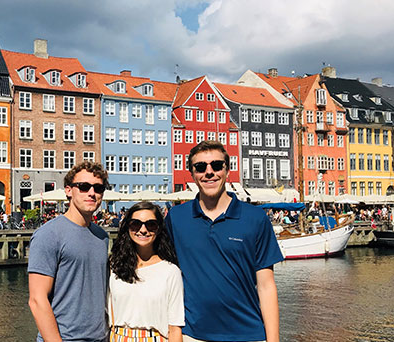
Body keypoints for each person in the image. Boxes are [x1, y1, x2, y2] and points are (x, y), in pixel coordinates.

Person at [165, 140, 283, 342]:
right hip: (193, 335)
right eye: (201, 167)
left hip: (248, 334)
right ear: (192, 174)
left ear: (227, 170)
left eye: (217, 165)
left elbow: (266, 286)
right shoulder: (176, 218)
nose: (209, 172)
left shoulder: (255, 219)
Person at [28, 161, 109, 342]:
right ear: (68, 190)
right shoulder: (48, 235)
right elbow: (37, 300)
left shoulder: (102, 237)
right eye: (84, 186)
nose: (91, 193)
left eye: (98, 188)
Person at [108, 201, 184, 341]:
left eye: (151, 224)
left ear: (159, 228)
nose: (143, 230)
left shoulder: (170, 272)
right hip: (117, 336)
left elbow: (174, 328)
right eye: (136, 223)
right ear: (127, 227)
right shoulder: (114, 266)